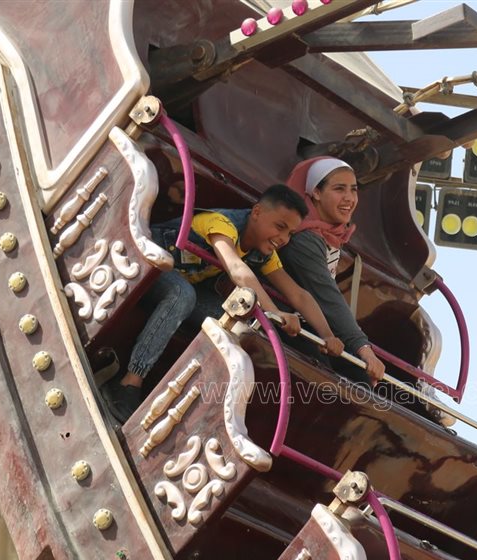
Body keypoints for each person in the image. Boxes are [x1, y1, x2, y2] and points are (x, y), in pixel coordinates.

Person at [101, 184, 344, 422]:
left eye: (290, 233)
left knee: (236, 325)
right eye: (280, 227)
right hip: (150, 264)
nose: (283, 239)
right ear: (257, 212)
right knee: (182, 295)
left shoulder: (265, 253)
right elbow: (236, 268)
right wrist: (274, 312)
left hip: (185, 285)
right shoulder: (222, 224)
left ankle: (190, 406)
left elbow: (298, 295)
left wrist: (328, 335)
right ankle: (129, 382)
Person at [279, 157, 385, 384]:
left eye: (353, 190)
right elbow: (328, 297)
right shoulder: (304, 238)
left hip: (313, 326)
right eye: (339, 189)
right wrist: (364, 349)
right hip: (289, 324)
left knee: (359, 378)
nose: (349, 198)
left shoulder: (330, 235)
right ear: (316, 193)